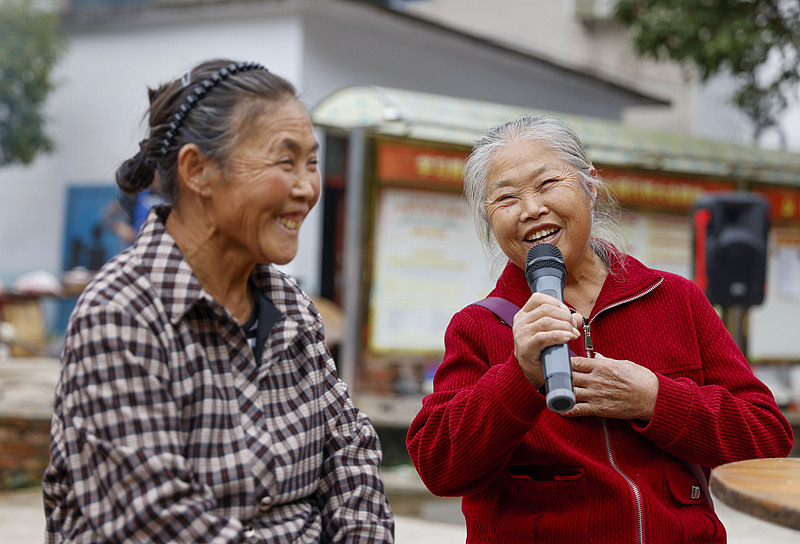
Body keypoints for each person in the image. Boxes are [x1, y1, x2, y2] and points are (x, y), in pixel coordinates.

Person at [43, 58, 394, 543]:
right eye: (284, 161)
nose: (306, 188)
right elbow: (157, 519)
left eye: (311, 162)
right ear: (198, 170)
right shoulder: (120, 312)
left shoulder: (290, 306)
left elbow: (350, 452)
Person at [406, 115, 794, 543]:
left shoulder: (675, 298)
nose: (531, 208)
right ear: (489, 218)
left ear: (590, 186)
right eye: (506, 198)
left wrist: (653, 399)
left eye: (547, 184)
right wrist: (520, 377)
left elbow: (767, 438)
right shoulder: (479, 325)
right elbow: (439, 468)